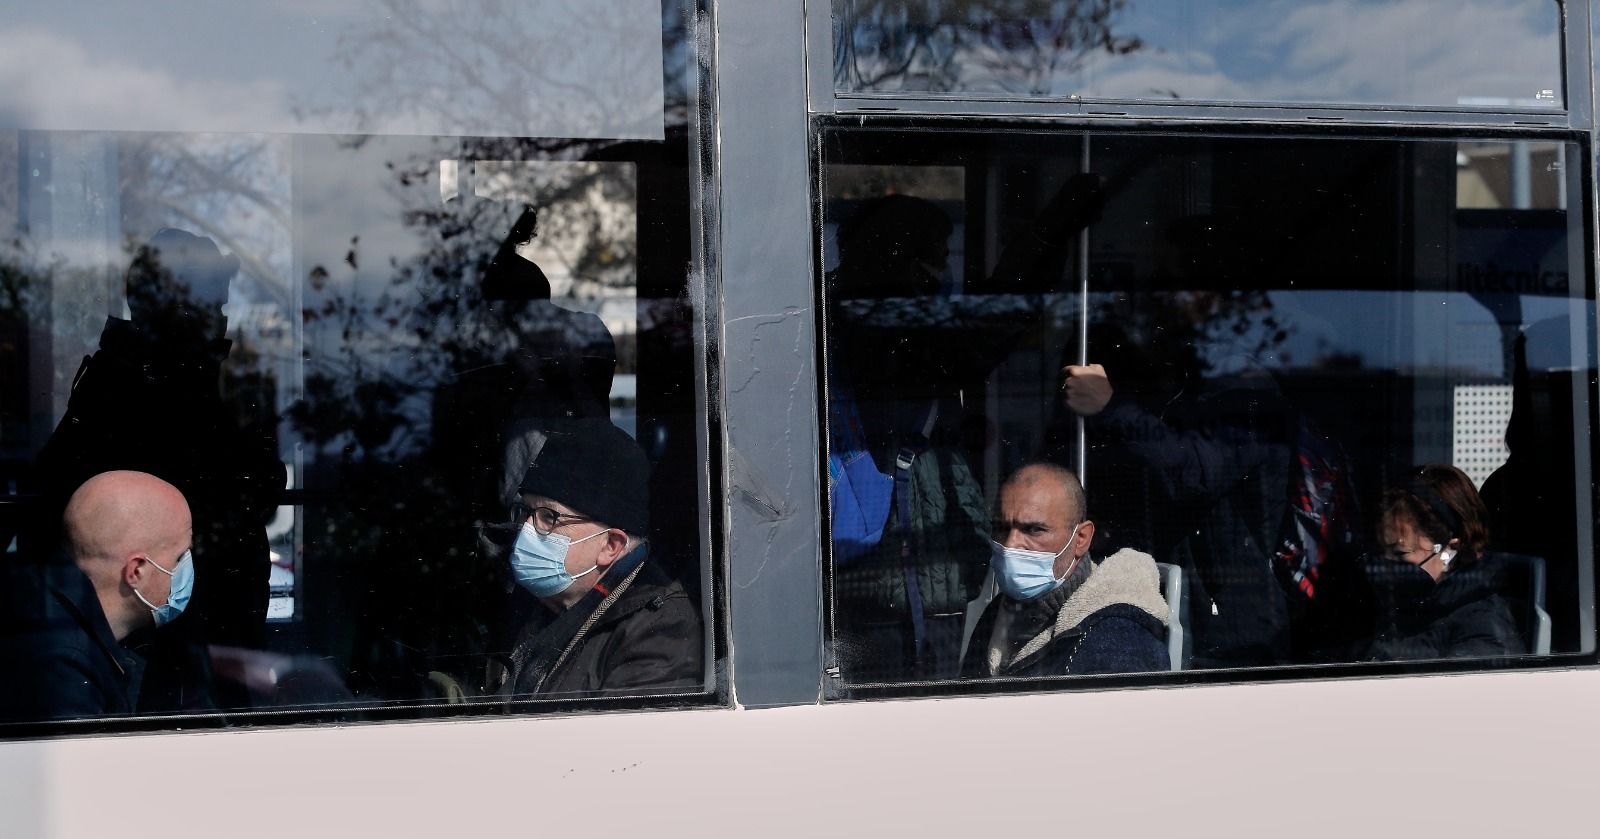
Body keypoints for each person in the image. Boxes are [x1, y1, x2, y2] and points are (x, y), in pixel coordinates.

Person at [26, 228, 281, 710]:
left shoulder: (173, 383)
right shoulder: (136, 387)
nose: (221, 320)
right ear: (178, 308)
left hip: (205, 624)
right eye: (212, 306)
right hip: (171, 635)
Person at [486, 419, 701, 698]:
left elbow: (615, 739)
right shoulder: (530, 600)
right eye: (526, 511)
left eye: (549, 517)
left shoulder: (659, 631)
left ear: (610, 546)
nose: (527, 528)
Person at [0, 471, 194, 722]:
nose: (187, 568)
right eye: (181, 557)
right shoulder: (65, 675)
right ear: (136, 571)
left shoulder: (41, 605)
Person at [962, 463, 1169, 679]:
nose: (1011, 544)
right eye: (1002, 527)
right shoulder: (999, 614)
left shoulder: (1121, 641)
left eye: (1034, 529)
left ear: (1081, 539)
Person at [1362, 465, 1525, 661]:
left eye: (1399, 554)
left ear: (1451, 551)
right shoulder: (1404, 608)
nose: (1385, 566)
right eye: (1379, 553)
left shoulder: (1482, 631)